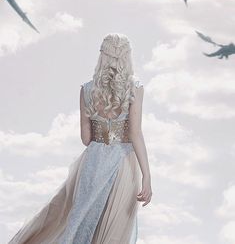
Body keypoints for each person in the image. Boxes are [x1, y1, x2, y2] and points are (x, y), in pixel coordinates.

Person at [8, 33, 152, 244]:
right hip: (124, 163)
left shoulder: (86, 90)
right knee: (114, 231)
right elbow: (135, 133)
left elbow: (86, 138)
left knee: (81, 221)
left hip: (93, 162)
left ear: (102, 55)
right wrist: (147, 176)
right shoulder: (135, 88)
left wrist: (101, 127)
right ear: (126, 57)